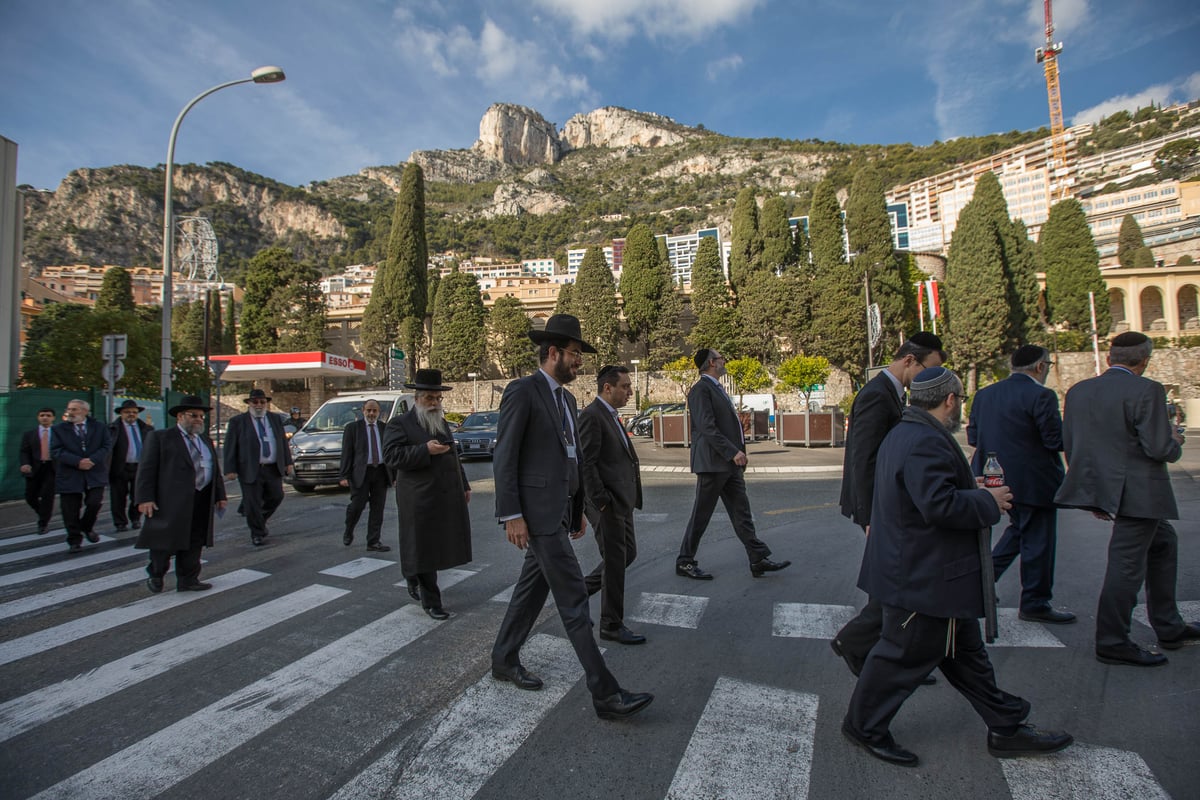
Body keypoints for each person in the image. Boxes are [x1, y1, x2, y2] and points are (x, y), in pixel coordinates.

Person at [843, 367, 1073, 767]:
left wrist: (976, 492)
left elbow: (926, 495)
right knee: (900, 658)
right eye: (960, 400)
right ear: (949, 400)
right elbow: (938, 505)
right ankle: (863, 726)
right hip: (923, 577)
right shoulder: (923, 441)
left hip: (928, 576)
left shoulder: (906, 431)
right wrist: (990, 502)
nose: (960, 408)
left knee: (967, 656)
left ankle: (1006, 725)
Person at [490, 313, 653, 721]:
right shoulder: (522, 391)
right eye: (575, 354)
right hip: (537, 515)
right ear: (552, 353)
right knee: (575, 602)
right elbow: (505, 456)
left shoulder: (566, 400)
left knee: (531, 591)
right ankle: (605, 693)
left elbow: (572, 458)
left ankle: (503, 658)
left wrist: (578, 508)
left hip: (560, 513)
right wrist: (511, 514)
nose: (579, 363)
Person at [1055, 331, 1198, 666]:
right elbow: (1160, 448)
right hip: (1139, 492)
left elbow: (1073, 444)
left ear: (1109, 358)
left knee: (1163, 545)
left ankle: (1169, 624)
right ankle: (1112, 640)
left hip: (1104, 486)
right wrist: (1175, 438)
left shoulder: (1079, 391)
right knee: (1126, 567)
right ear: (1145, 360)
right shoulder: (1146, 389)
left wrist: (1093, 494)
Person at [833, 333, 945, 676]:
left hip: (886, 504)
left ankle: (869, 649)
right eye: (930, 368)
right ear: (910, 360)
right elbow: (862, 458)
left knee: (890, 581)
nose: (930, 377)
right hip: (878, 506)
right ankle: (861, 644)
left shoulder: (892, 394)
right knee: (893, 582)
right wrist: (868, 515)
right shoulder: (876, 395)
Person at [967, 344, 1074, 624]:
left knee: (1019, 531)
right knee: (1038, 540)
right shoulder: (1042, 395)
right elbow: (1054, 440)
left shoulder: (985, 394)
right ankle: (1035, 601)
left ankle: (982, 579)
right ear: (1040, 367)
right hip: (1034, 481)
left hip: (993, 477)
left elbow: (974, 437)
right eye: (1048, 365)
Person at [675, 347, 789, 580]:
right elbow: (707, 427)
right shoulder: (700, 390)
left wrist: (736, 454)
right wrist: (731, 452)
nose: (724, 360)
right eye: (720, 358)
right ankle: (685, 561)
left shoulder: (717, 388)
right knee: (701, 515)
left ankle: (757, 558)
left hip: (728, 465)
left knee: (741, 512)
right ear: (711, 363)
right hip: (713, 463)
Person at [382, 371, 473, 620]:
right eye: (430, 398)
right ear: (417, 398)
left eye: (437, 399)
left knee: (435, 546)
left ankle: (412, 574)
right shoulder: (399, 424)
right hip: (417, 498)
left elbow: (454, 457)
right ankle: (432, 601)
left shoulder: (441, 423)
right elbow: (391, 457)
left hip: (443, 496)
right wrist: (424, 450)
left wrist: (464, 484)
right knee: (422, 547)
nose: (434, 403)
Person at [579, 364, 644, 645]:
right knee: (616, 561)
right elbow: (586, 463)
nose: (630, 391)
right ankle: (611, 624)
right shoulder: (592, 416)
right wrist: (601, 501)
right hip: (607, 504)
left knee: (627, 554)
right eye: (625, 386)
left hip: (621, 501)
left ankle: (578, 592)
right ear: (608, 388)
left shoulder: (611, 415)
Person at [135, 395, 227, 593]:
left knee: (195, 541)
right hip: (170, 500)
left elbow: (214, 469)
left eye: (201, 416)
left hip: (201, 498)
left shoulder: (205, 441)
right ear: (180, 416)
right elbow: (146, 470)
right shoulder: (161, 438)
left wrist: (220, 495)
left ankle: (188, 578)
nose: (198, 419)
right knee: (164, 541)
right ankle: (156, 574)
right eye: (193, 415)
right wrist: (145, 498)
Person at [224, 388, 293, 546]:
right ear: (249, 403)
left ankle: (258, 520)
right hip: (250, 467)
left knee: (276, 496)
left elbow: (282, 442)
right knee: (253, 502)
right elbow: (230, 446)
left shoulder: (274, 419)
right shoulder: (238, 422)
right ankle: (257, 532)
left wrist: (288, 462)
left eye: (262, 402)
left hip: (272, 467)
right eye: (255, 402)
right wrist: (230, 469)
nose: (259, 405)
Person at [50, 399, 112, 553]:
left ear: (85, 411)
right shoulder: (59, 429)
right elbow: (56, 450)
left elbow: (106, 445)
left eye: (75, 409)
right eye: (69, 409)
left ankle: (86, 526)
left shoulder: (99, 427)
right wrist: (77, 461)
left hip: (94, 471)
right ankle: (74, 539)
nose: (70, 412)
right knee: (70, 508)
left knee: (94, 502)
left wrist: (92, 460)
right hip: (70, 472)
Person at [339, 398, 393, 553]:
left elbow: (389, 452)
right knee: (357, 505)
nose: (371, 413)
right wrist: (344, 475)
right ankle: (349, 530)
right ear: (363, 411)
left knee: (378, 509)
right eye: (368, 410)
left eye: (374, 410)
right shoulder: (353, 428)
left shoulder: (384, 428)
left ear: (379, 412)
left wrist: (394, 475)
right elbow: (347, 453)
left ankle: (373, 541)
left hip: (380, 472)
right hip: (360, 474)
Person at [108, 399, 153, 532]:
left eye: (134, 412)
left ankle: (135, 518)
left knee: (138, 495)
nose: (131, 414)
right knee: (118, 497)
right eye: (127, 412)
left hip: (139, 467)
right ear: (121, 413)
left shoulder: (146, 429)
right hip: (119, 467)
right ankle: (120, 522)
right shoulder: (113, 429)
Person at [19, 408, 58, 535]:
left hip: (51, 468)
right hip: (35, 468)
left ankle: (43, 523)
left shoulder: (58, 433)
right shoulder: (29, 434)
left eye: (48, 415)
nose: (45, 418)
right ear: (38, 417)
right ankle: (42, 512)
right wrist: (25, 463)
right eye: (42, 415)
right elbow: (24, 451)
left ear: (53, 418)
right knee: (30, 496)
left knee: (47, 496)